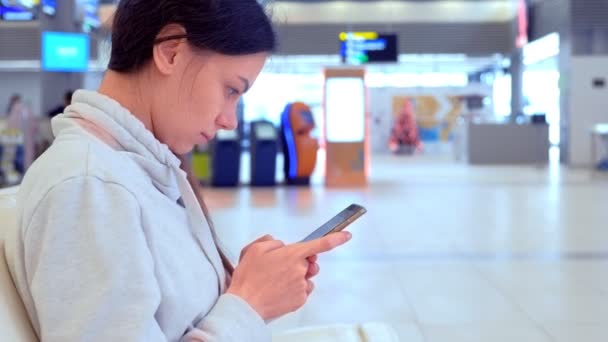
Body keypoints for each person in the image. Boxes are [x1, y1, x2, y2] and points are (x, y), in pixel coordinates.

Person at [5, 1, 352, 341]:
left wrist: (250, 282)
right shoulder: (89, 186)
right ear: (171, 52)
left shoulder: (144, 170)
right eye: (231, 89)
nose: (230, 120)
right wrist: (250, 305)